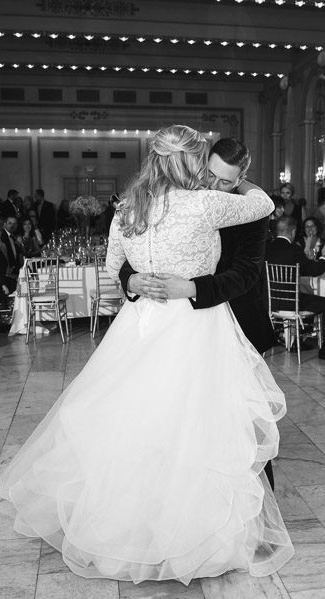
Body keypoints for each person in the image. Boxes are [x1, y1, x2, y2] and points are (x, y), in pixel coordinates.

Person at [0, 125, 293, 584]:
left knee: (143, 425)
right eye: (203, 166)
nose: (212, 180)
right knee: (199, 428)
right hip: (195, 331)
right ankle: (194, 534)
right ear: (192, 162)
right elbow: (265, 203)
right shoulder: (203, 203)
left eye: (225, 179)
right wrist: (139, 282)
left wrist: (145, 283)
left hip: (149, 327)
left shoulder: (127, 208)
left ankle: (145, 530)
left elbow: (114, 266)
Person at [118, 137, 278, 487]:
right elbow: (138, 254)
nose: (215, 186)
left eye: (227, 182)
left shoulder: (250, 209)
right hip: (182, 333)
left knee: (239, 428)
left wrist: (192, 289)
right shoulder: (173, 200)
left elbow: (246, 274)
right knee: (176, 421)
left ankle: (255, 514)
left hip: (238, 320)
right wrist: (132, 280)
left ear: (240, 180)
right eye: (210, 175)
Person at [266, 216, 325, 363]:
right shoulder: (293, 250)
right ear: (293, 231)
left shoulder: (266, 247)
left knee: (308, 297)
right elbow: (315, 270)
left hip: (270, 302)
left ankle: (300, 340)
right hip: (291, 304)